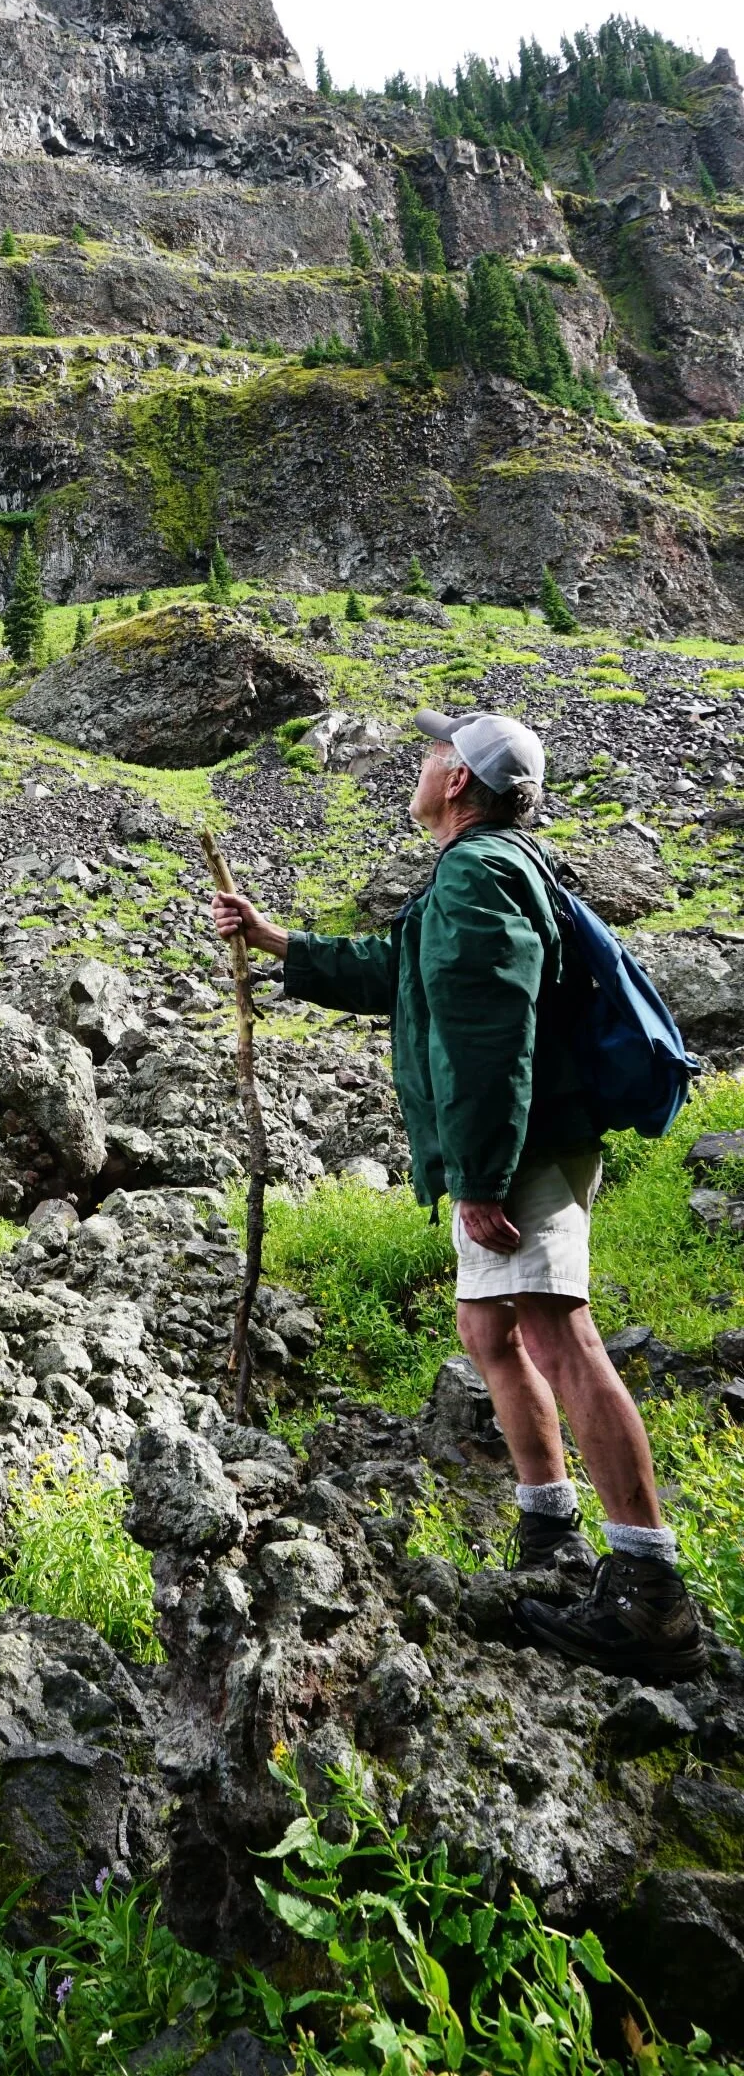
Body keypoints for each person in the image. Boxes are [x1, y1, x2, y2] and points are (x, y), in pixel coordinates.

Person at [211, 708, 705, 1682]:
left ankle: (653, 1597)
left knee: (563, 1336)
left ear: (459, 784)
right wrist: (279, 943)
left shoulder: (478, 874)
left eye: (436, 752)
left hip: (517, 1149)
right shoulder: (478, 872)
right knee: (489, 1330)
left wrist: (479, 1177)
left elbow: (490, 1034)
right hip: (528, 1140)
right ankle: (550, 1534)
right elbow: (404, 967)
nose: (422, 760)